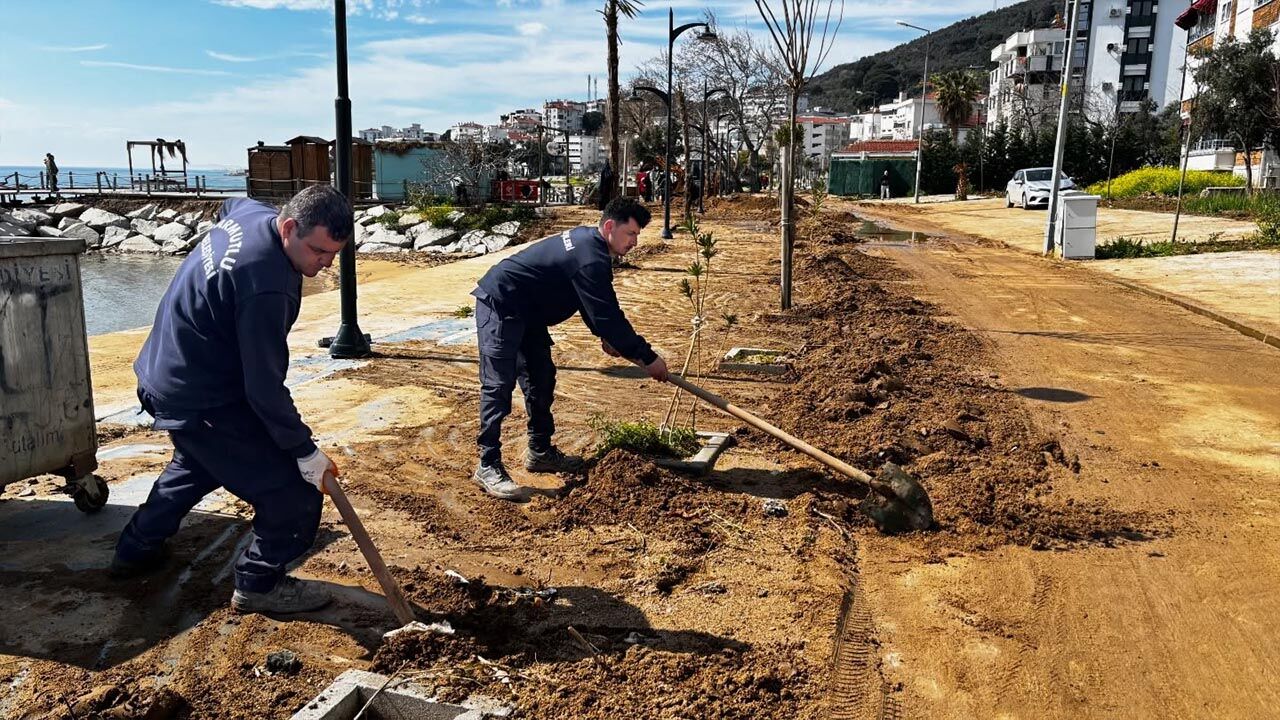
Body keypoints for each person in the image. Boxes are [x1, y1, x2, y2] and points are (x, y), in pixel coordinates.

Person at [110, 185, 353, 615]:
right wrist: (303, 450)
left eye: (333, 255)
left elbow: (229, 204)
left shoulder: (249, 214)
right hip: (199, 396)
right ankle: (259, 584)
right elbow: (264, 388)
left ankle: (136, 548)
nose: (325, 263)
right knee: (292, 492)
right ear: (290, 227)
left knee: (198, 461)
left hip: (162, 373)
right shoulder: (266, 286)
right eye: (318, 251)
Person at [469, 197, 669, 500]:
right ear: (610, 226)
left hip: (530, 313)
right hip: (502, 303)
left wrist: (606, 337)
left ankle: (539, 451)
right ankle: (488, 464)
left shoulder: (591, 247)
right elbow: (607, 315)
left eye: (638, 236)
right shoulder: (589, 255)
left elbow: (588, 299)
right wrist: (647, 357)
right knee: (499, 385)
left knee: (542, 377)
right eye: (631, 234)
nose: (635, 242)